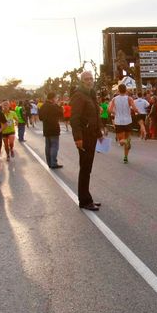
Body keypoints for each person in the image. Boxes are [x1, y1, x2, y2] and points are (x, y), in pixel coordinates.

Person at [71, 73, 102, 211]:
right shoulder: (79, 95)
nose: (89, 81)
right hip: (84, 137)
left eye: (91, 79)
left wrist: (99, 133)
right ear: (81, 81)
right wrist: (78, 138)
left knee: (87, 168)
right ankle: (84, 201)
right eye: (86, 79)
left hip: (92, 136)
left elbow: (95, 115)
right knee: (85, 169)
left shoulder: (91, 94)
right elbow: (75, 119)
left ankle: (86, 197)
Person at [109, 84, 136, 163]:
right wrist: (137, 111)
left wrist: (115, 112)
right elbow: (134, 108)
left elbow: (110, 110)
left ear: (118, 90)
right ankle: (125, 157)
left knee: (121, 141)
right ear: (126, 90)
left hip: (118, 121)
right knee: (127, 139)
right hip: (128, 121)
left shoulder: (114, 99)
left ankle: (125, 153)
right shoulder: (129, 98)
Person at [38, 92, 64, 168]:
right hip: (54, 128)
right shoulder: (54, 106)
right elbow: (61, 113)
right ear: (53, 98)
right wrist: (57, 105)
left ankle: (49, 162)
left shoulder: (43, 106)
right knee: (54, 146)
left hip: (46, 128)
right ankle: (53, 163)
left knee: (48, 146)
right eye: (56, 98)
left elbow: (40, 118)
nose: (57, 99)